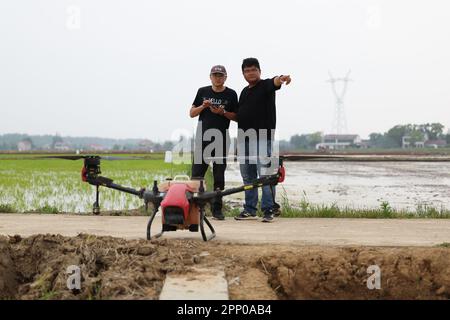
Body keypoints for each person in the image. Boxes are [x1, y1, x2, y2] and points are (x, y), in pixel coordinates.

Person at [234, 57, 291, 222]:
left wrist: (281, 78)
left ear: (259, 71)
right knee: (248, 176)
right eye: (247, 70)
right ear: (243, 73)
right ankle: (250, 209)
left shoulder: (266, 85)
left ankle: (268, 209)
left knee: (265, 174)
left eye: (253, 70)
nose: (250, 73)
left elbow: (275, 82)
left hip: (262, 138)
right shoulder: (244, 92)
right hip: (244, 139)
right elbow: (240, 116)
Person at [190, 65, 238, 220]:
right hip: (202, 139)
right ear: (210, 77)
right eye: (215, 75)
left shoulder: (231, 94)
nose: (218, 78)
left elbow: (237, 117)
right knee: (197, 175)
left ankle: (217, 209)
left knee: (219, 175)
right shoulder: (202, 92)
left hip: (221, 139)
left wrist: (222, 112)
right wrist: (203, 106)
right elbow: (191, 113)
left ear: (225, 77)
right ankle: (196, 208)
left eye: (221, 75)